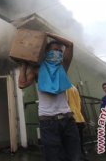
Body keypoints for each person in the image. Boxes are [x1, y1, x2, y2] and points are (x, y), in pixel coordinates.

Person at [19, 32, 81, 161]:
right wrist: (24, 65)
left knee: (74, 156)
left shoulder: (63, 67)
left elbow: (69, 45)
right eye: (54, 50)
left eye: (60, 51)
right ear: (46, 52)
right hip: (47, 121)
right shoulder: (37, 70)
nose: (58, 53)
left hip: (67, 119)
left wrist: (47, 34)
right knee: (53, 157)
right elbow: (22, 84)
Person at [66, 85, 88, 161]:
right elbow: (80, 103)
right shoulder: (74, 87)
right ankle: (83, 157)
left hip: (71, 118)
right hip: (79, 118)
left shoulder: (64, 87)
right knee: (80, 141)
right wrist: (84, 119)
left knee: (73, 143)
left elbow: (65, 102)